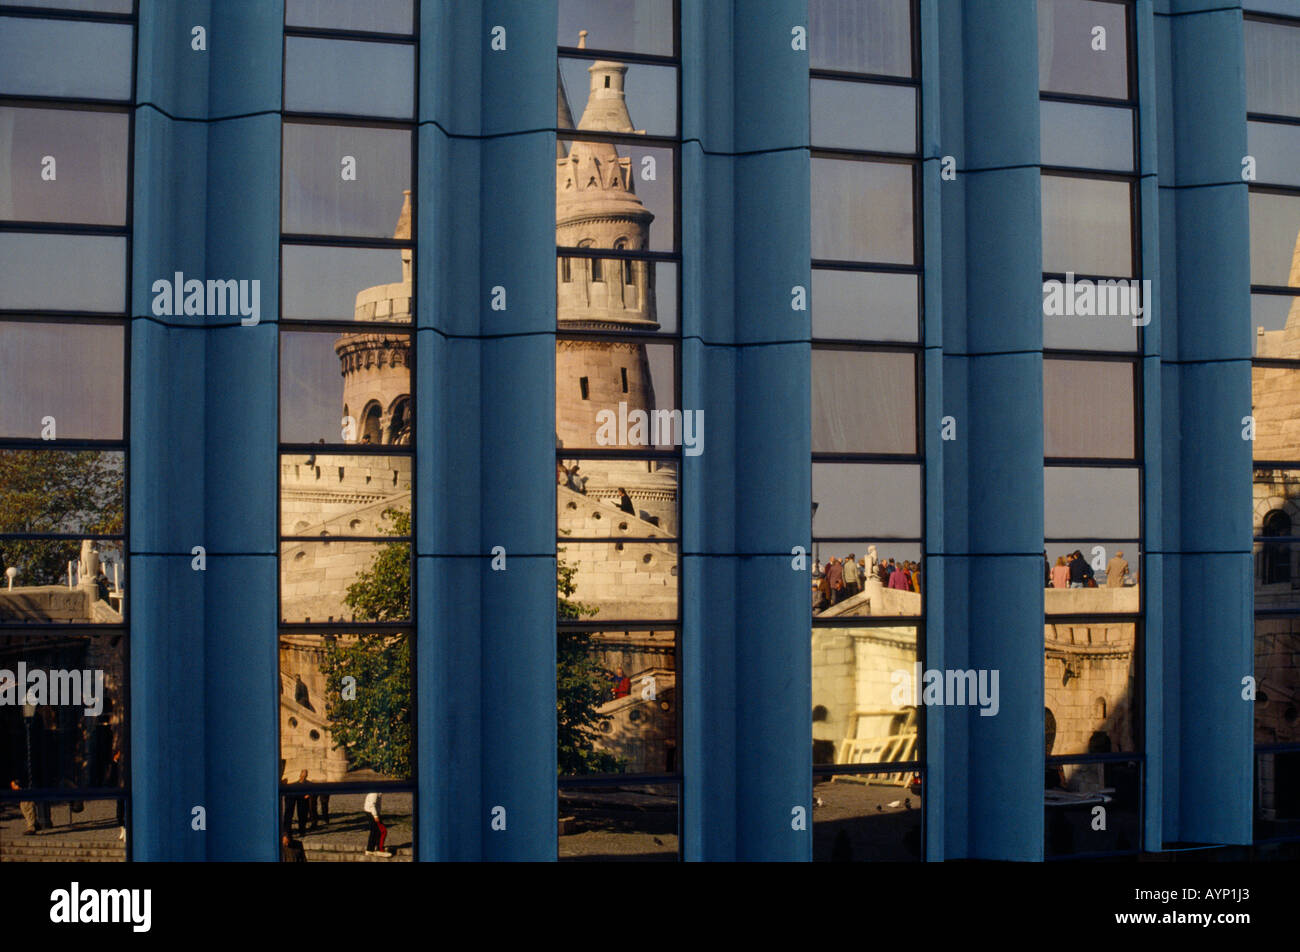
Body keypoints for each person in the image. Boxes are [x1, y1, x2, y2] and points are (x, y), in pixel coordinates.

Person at [364, 792, 392, 858]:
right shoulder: (374, 792)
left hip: (371, 812)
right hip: (371, 813)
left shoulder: (377, 791)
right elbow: (372, 805)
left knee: (374, 831)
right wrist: (375, 816)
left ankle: (370, 849)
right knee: (382, 831)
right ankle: (379, 849)